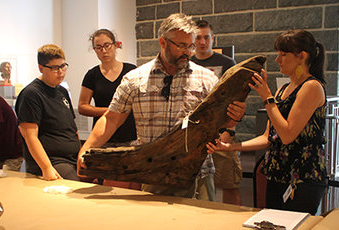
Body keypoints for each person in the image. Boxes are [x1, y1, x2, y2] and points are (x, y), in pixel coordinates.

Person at [78, 13, 245, 198]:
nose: (188, 52)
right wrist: (87, 148)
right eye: (181, 45)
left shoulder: (206, 79)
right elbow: (111, 119)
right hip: (153, 175)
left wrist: (234, 116)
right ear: (163, 42)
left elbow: (226, 123)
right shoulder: (135, 79)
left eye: (190, 45)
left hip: (198, 175)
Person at [207, 29, 327, 215]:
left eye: (283, 55)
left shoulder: (312, 87)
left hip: (302, 177)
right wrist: (229, 147)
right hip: (277, 173)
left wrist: (267, 97)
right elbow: (268, 137)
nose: (278, 60)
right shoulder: (284, 89)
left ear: (301, 56)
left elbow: (287, 135)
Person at [78, 29, 139, 189]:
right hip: (103, 137)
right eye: (99, 47)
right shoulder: (92, 75)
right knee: (104, 186)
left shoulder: (131, 71)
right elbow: (82, 106)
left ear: (115, 45)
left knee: (130, 183)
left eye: (107, 45)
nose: (104, 51)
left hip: (129, 135)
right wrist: (110, 111)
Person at [191, 19, 241, 204]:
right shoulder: (187, 63)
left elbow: (237, 98)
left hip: (222, 133)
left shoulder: (227, 63)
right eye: (198, 38)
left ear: (213, 38)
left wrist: (229, 131)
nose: (202, 42)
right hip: (195, 134)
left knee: (229, 183)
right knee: (198, 183)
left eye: (206, 37)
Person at [15, 44, 81, 181]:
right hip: (53, 160)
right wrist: (46, 167)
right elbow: (30, 136)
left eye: (63, 66)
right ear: (41, 68)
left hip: (73, 158)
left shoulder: (62, 91)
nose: (61, 72)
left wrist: (81, 152)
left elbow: (72, 127)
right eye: (55, 68)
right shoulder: (31, 94)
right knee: (74, 187)